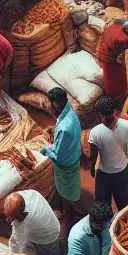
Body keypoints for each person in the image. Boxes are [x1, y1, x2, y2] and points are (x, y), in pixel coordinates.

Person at [89, 95, 128, 213]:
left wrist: (92, 168)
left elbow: (93, 155)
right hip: (118, 172)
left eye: (111, 118)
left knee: (121, 206)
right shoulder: (127, 126)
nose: (110, 123)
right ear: (100, 115)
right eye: (106, 119)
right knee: (106, 208)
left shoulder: (95, 133)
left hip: (110, 173)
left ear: (116, 112)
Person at [42, 88, 83, 216]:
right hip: (74, 155)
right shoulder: (70, 111)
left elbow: (58, 156)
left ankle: (67, 211)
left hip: (66, 162)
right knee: (72, 185)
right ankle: (69, 206)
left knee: (66, 189)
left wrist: (45, 148)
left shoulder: (65, 128)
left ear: (55, 105)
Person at [95, 18, 128, 101]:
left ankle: (111, 93)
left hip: (100, 51)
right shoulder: (124, 39)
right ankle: (117, 96)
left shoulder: (115, 25)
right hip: (107, 58)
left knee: (108, 77)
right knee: (115, 78)